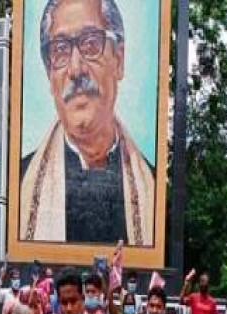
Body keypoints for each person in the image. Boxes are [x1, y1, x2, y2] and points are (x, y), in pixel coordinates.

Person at [19, 0, 155, 245]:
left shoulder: (152, 189)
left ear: (119, 60)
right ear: (49, 76)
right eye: (60, 50)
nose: (76, 69)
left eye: (91, 44)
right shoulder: (20, 185)